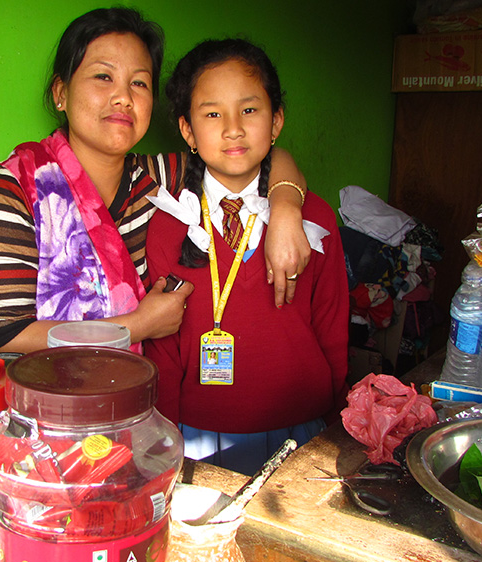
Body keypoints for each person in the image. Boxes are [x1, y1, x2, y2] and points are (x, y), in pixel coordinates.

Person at [0, 8, 311, 355]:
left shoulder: (158, 179)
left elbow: (257, 157)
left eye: (139, 83)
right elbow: (5, 335)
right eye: (103, 77)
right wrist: (137, 326)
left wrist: (285, 209)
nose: (123, 97)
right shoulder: (17, 189)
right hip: (47, 401)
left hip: (136, 398)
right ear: (61, 92)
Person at [143, 39, 349, 475]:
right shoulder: (167, 222)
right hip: (197, 434)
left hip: (302, 431)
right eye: (212, 114)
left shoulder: (314, 217)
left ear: (276, 124)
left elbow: (332, 325)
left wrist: (335, 419)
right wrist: (163, 436)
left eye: (250, 110)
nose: (232, 128)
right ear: (187, 131)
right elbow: (164, 350)